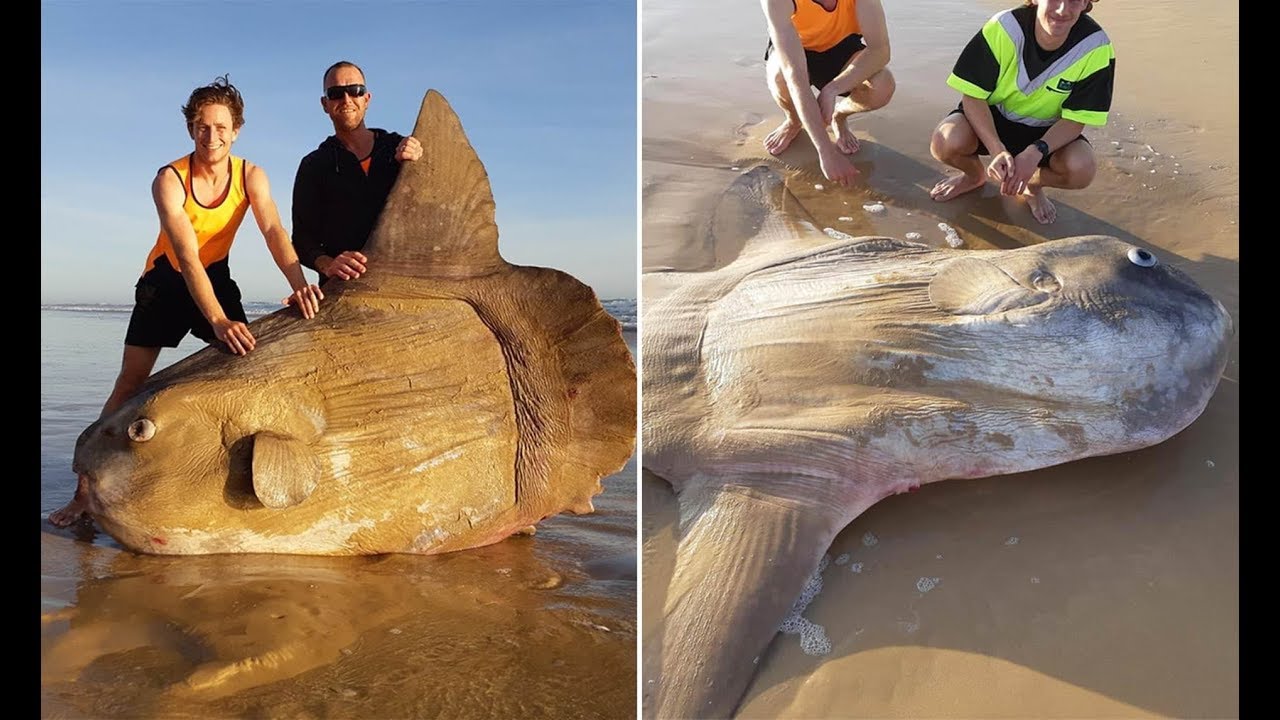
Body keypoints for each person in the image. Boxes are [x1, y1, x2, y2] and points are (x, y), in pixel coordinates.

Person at [49, 75, 325, 527]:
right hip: (166, 281)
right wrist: (215, 320)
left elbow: (274, 231)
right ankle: (85, 491)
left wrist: (298, 281)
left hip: (215, 275)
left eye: (220, 127)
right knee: (131, 382)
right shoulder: (170, 179)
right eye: (201, 126)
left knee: (245, 364)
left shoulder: (251, 175)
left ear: (235, 130)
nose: (210, 136)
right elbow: (186, 256)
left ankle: (222, 476)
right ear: (190, 129)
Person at [928, 0, 1115, 224]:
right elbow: (973, 96)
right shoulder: (1004, 27)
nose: (1063, 10)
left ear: (1086, 2)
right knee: (945, 141)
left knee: (1081, 169)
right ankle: (974, 176)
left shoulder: (1096, 47)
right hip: (992, 119)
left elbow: (1075, 120)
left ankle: (1031, 186)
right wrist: (996, 149)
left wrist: (1036, 152)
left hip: (1047, 132)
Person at [291, 61, 423, 285]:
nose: (346, 100)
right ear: (325, 104)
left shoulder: (399, 148)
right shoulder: (314, 165)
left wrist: (421, 163)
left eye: (355, 91)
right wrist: (328, 264)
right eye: (335, 94)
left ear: (367, 99)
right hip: (345, 290)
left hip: (405, 284)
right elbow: (302, 240)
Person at [760, 0, 896, 187]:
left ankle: (839, 117)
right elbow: (795, 77)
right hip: (797, 48)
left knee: (882, 85)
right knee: (781, 75)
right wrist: (826, 151)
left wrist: (832, 90)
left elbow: (880, 50)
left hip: (842, 46)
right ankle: (793, 121)